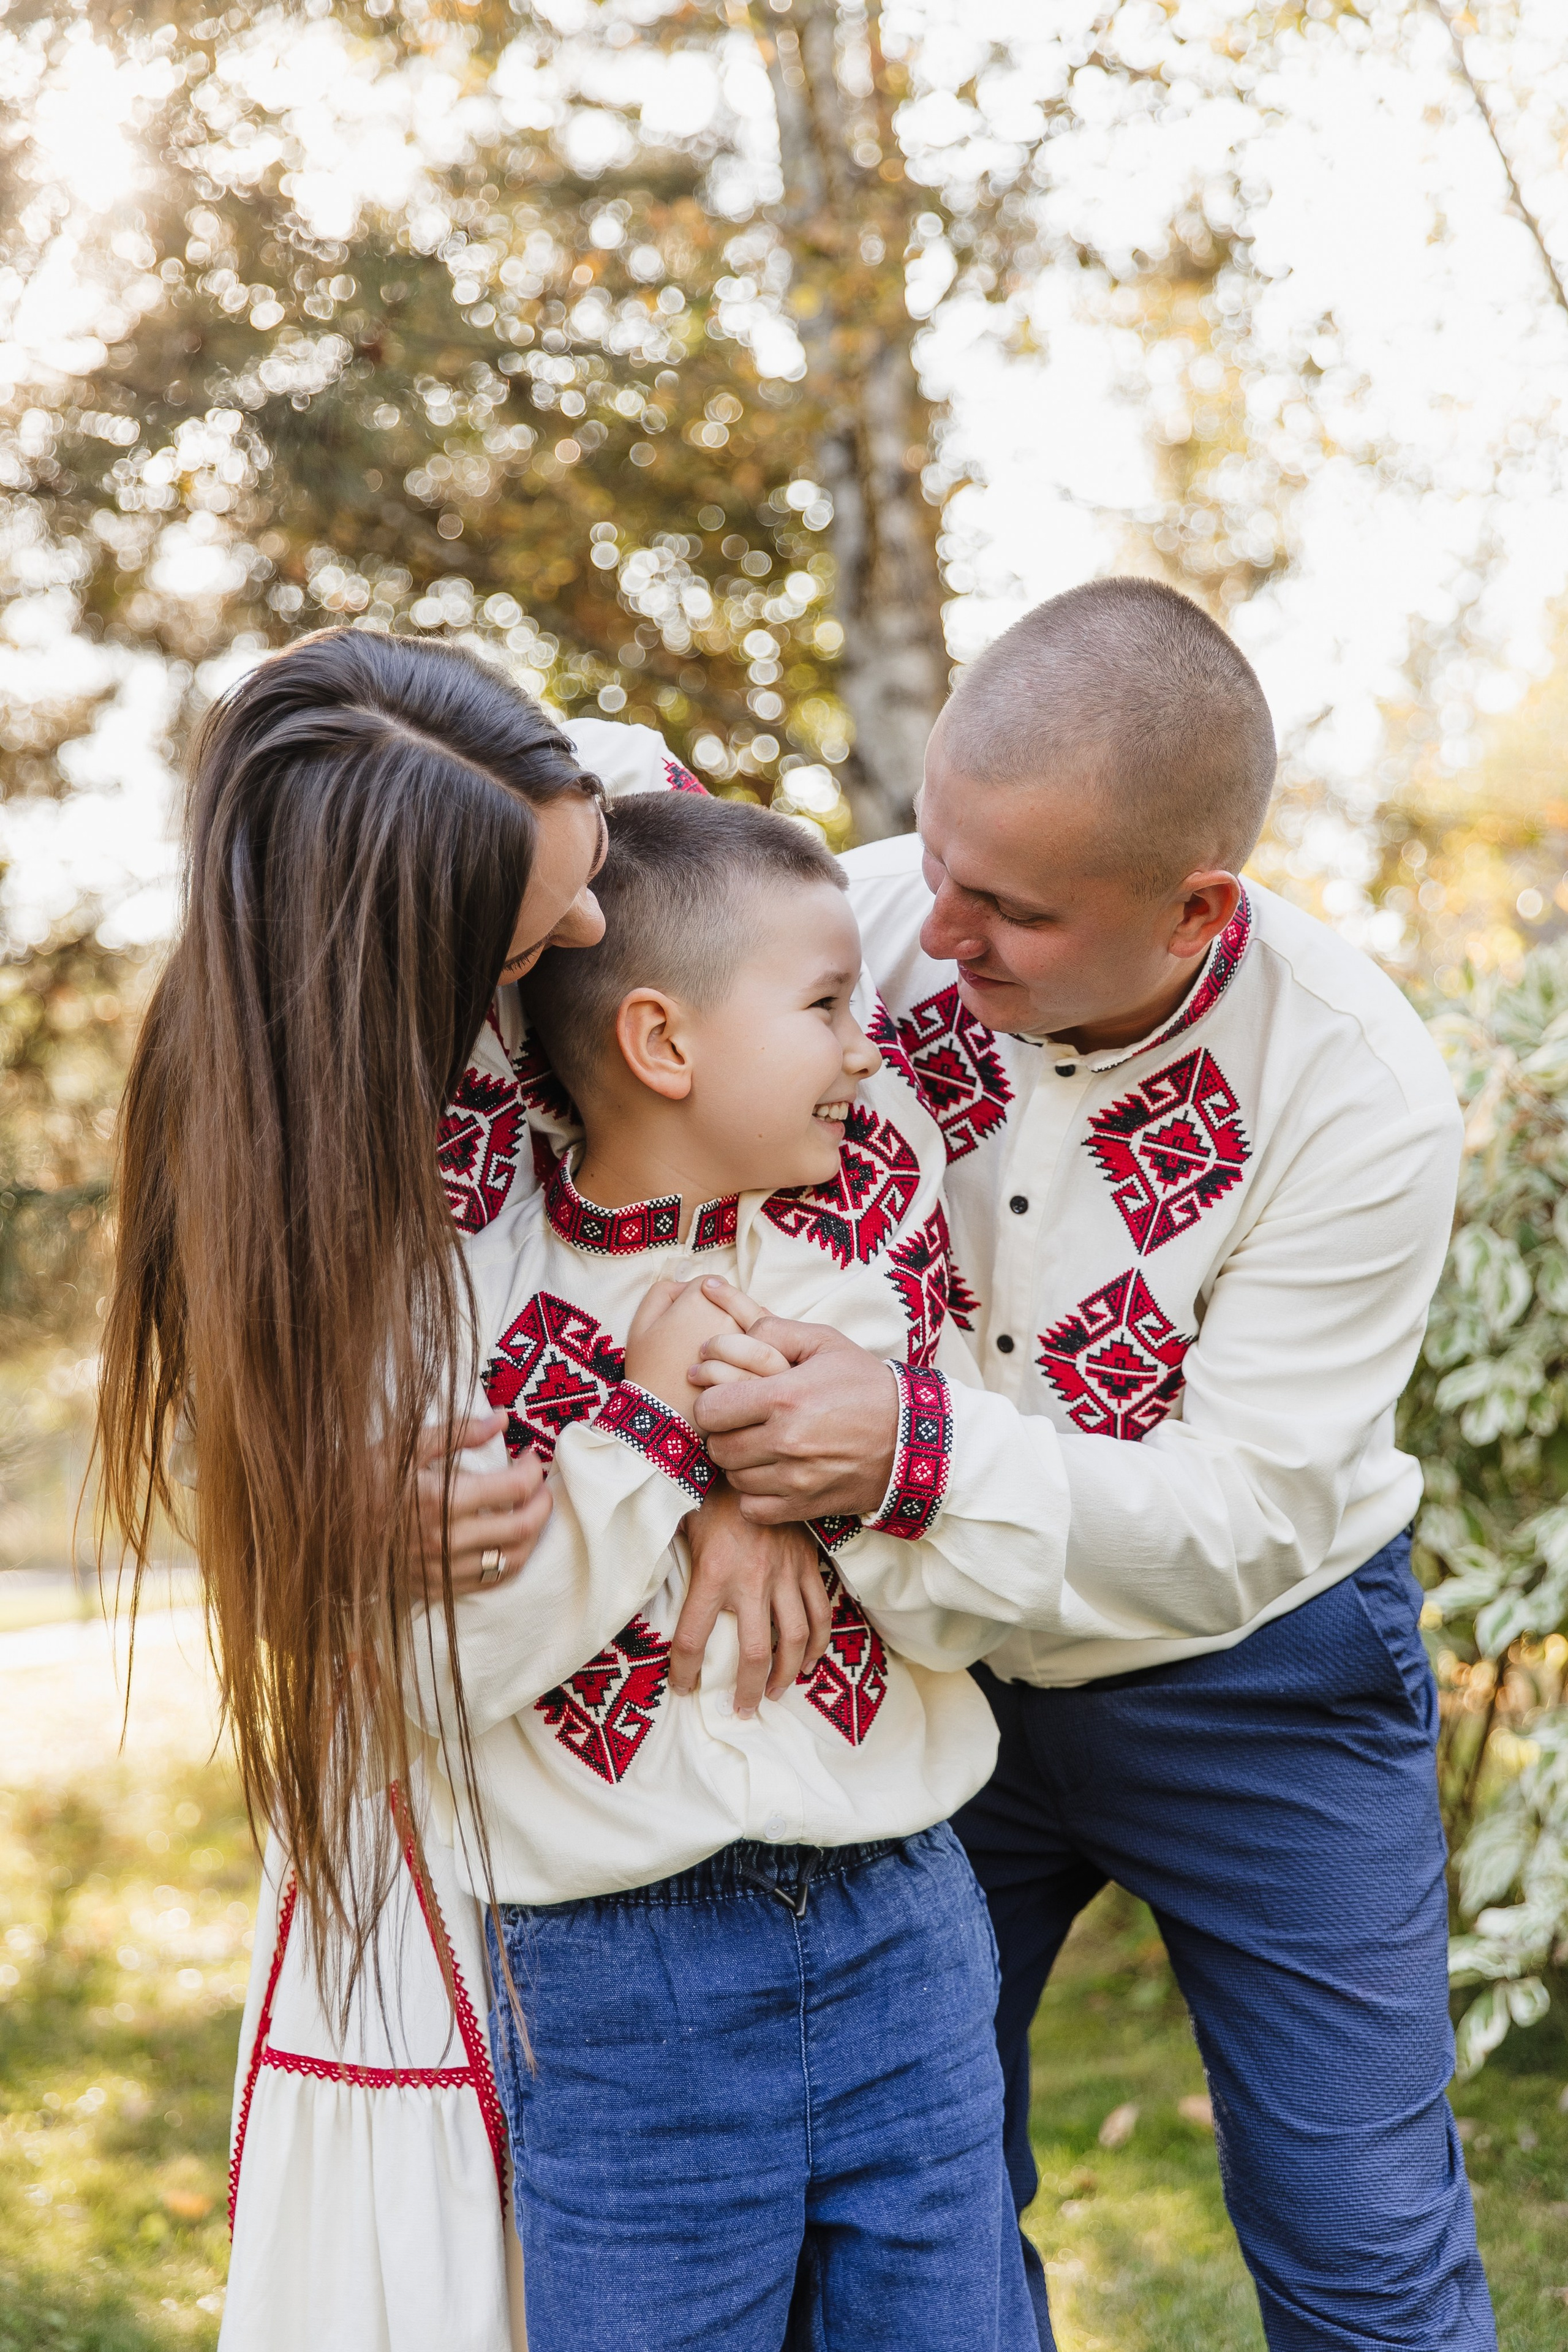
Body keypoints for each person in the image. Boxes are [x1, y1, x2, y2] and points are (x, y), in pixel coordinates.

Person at [683, 578, 1492, 2350]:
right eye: (938, 853)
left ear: (1197, 904)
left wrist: (907, 1453)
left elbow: (1242, 1512)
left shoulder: (1358, 1090)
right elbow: (663, 1191)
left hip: (1256, 1679)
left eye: (1015, 909)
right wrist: (734, 1481)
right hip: (912, 1657)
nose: (937, 928)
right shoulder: (846, 933)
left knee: (1361, 2243)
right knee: (899, 2225)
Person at [93, 631, 824, 2352]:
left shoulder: (586, 800)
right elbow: (396, 1624)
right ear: (403, 974)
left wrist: (746, 1463)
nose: (592, 928)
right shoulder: (288, 1161)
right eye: (528, 940)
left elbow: (767, 1093)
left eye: (589, 867)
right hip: (470, 1833)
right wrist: (327, 1520)